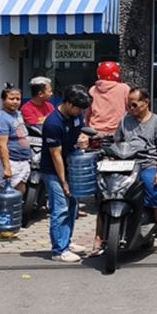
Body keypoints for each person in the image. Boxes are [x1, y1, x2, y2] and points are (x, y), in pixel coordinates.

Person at [91, 87, 157, 257]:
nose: (131, 109)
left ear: (146, 103)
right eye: (128, 105)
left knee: (156, 198)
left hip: (147, 165)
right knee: (104, 196)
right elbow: (117, 141)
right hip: (124, 164)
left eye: (134, 105)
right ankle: (98, 238)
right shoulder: (125, 120)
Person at [42, 83, 93, 262]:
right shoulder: (53, 123)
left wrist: (83, 139)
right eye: (79, 108)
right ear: (69, 104)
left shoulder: (76, 117)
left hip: (70, 166)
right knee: (60, 208)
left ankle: (66, 241)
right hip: (53, 170)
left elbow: (81, 132)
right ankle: (59, 250)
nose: (81, 112)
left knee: (72, 206)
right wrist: (63, 182)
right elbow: (55, 155)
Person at [0, 84, 33, 202]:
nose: (15, 102)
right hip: (10, 161)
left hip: (22, 160)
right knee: (3, 196)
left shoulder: (17, 114)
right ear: (3, 99)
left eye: (18, 99)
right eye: (11, 99)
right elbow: (1, 145)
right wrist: (7, 168)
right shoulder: (2, 119)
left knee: (19, 193)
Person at [86, 61, 130, 138]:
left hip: (95, 132)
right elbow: (131, 109)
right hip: (117, 132)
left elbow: (88, 113)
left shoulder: (93, 90)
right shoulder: (124, 88)